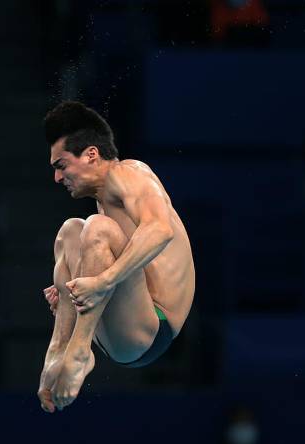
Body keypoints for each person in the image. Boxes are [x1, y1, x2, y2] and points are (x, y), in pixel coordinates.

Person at [37, 101, 195, 413]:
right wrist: (72, 284)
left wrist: (102, 280)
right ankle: (58, 352)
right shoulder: (104, 201)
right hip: (122, 323)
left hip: (154, 327)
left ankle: (80, 350)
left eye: (61, 166)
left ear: (91, 154)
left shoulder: (130, 174)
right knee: (71, 230)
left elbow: (160, 229)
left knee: (96, 229)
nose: (57, 178)